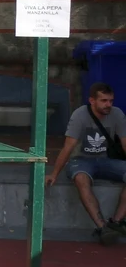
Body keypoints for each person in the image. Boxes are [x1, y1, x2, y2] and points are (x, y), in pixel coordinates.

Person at [45, 82, 126, 244]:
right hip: (81, 160)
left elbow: (125, 143)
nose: (108, 105)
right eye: (103, 101)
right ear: (92, 100)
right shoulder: (80, 115)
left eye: (110, 101)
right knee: (81, 179)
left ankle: (116, 222)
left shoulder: (117, 114)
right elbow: (68, 147)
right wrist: (54, 173)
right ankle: (102, 228)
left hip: (106, 160)